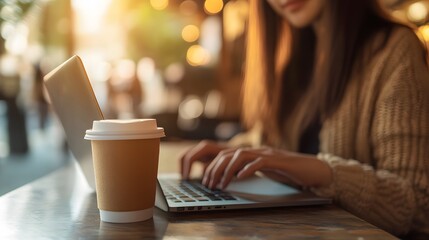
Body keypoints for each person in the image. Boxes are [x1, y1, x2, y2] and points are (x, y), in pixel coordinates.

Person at [180, 0, 429, 238]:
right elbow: (272, 142)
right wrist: (234, 152)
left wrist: (323, 173)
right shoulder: (298, 55)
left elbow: (417, 206)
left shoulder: (394, 50)